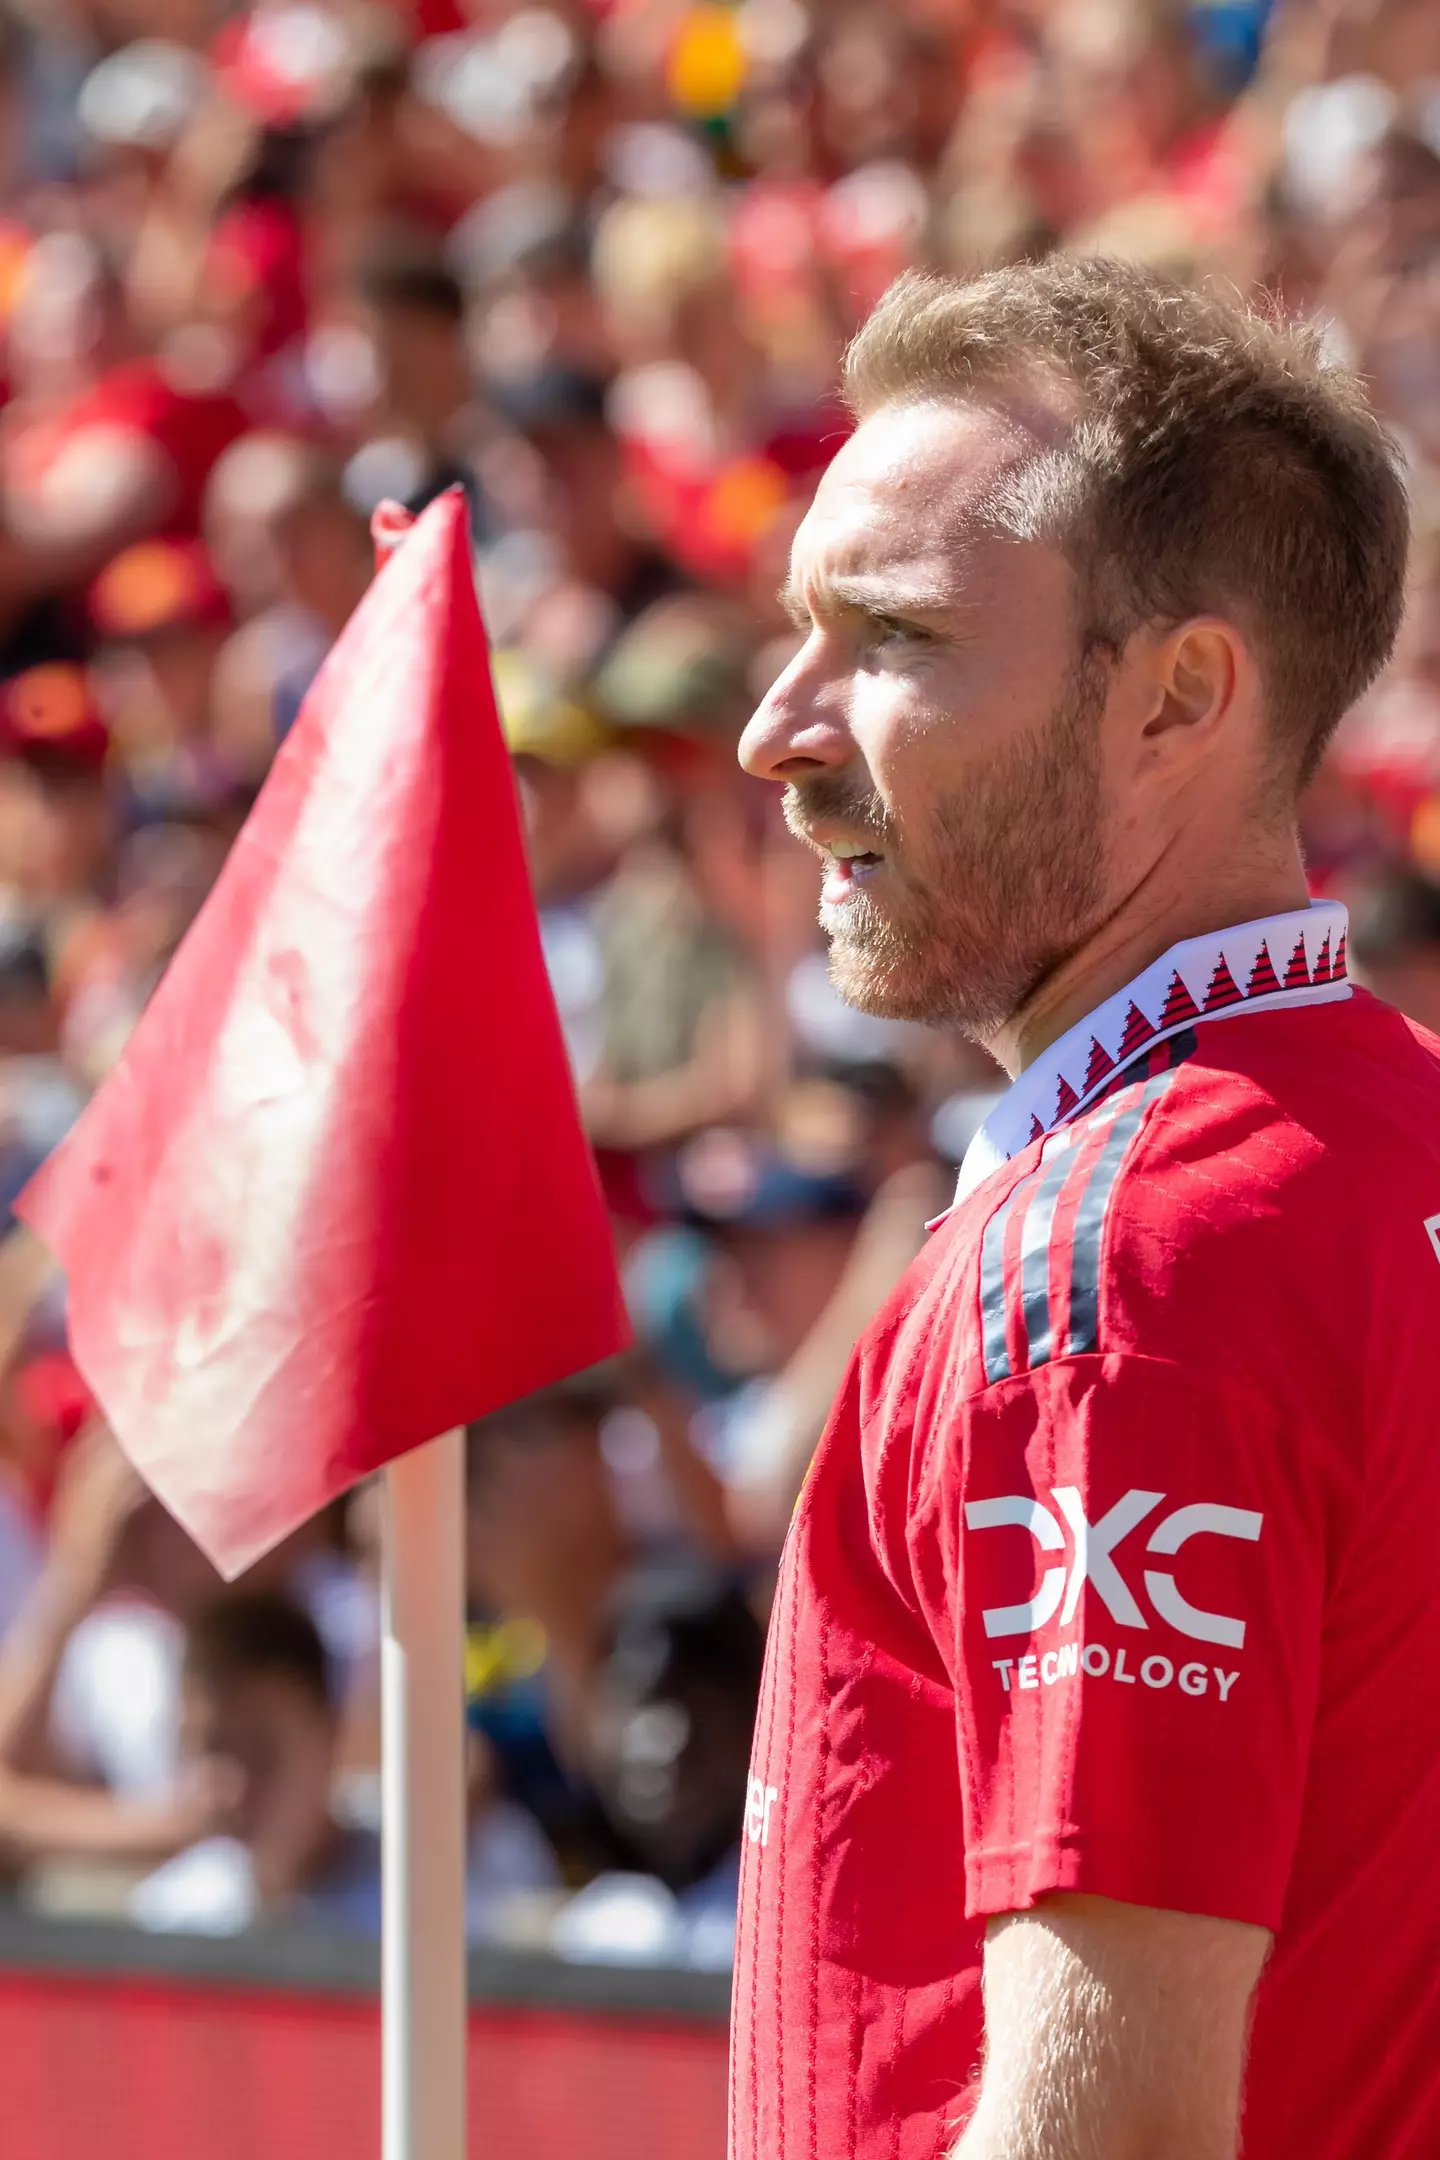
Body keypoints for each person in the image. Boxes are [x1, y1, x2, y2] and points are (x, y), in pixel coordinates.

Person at [729, 257, 1437, 2160]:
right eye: (798, 631)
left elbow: (1106, 2139)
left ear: (1179, 698)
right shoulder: (1389, 1144)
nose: (779, 734)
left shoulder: (1129, 1262)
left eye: (887, 637)